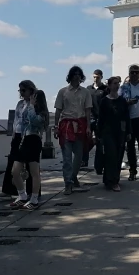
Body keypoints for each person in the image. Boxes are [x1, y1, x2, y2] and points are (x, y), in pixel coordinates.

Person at [54, 65, 94, 195]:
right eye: (74, 74)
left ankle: (73, 178)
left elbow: (88, 110)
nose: (76, 76)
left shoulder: (85, 92)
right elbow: (58, 110)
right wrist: (55, 127)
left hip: (80, 124)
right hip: (66, 125)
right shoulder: (63, 92)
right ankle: (68, 184)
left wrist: (88, 126)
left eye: (79, 74)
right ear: (70, 76)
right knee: (66, 157)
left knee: (79, 156)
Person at [0, 81, 37, 200]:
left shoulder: (34, 103)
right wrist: (14, 134)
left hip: (29, 135)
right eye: (20, 91)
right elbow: (16, 120)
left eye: (24, 90)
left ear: (30, 90)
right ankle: (9, 190)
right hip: (18, 134)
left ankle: (32, 192)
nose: (22, 93)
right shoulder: (20, 103)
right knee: (12, 162)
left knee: (31, 165)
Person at [8, 90, 47, 210]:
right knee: (15, 171)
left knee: (34, 172)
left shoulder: (42, 113)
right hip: (25, 140)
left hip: (34, 140)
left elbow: (34, 120)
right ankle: (22, 195)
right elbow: (20, 120)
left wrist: (31, 105)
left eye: (33, 98)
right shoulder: (27, 107)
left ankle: (34, 199)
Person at [97, 76, 131, 191]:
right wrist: (98, 134)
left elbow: (127, 117)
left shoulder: (122, 101)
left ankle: (111, 179)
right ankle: (112, 181)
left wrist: (128, 132)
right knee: (111, 155)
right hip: (107, 132)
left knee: (118, 156)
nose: (117, 85)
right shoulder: (104, 101)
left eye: (118, 83)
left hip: (120, 132)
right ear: (110, 85)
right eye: (115, 83)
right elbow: (100, 119)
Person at [85, 69, 106, 168]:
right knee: (86, 141)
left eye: (97, 77)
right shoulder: (88, 89)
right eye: (94, 77)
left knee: (99, 143)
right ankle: (83, 161)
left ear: (101, 77)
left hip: (101, 118)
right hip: (90, 117)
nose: (95, 79)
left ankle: (98, 165)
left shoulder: (105, 89)